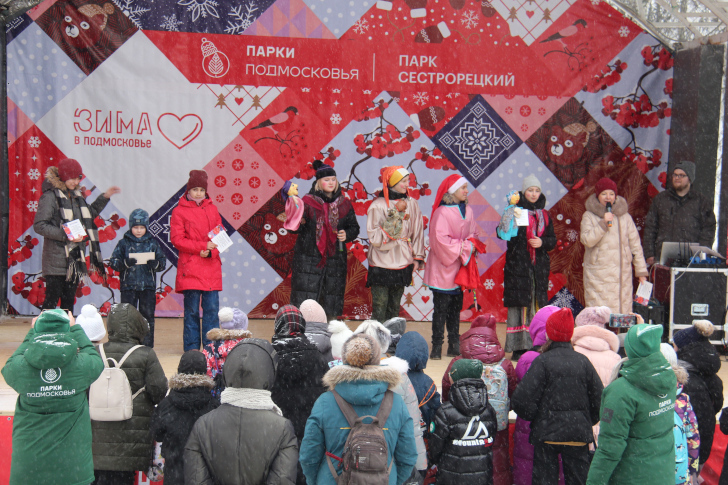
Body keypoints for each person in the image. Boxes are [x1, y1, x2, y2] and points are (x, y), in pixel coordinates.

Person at [2, 309, 104, 485]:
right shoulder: (80, 366)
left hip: (28, 468)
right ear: (68, 330)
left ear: (36, 329)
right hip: (73, 469)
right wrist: (76, 329)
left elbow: (10, 364)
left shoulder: (21, 368)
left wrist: (32, 333)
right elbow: (95, 358)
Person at [299, 333, 418, 485]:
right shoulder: (397, 403)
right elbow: (408, 457)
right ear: (377, 359)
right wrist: (391, 479)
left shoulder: (325, 402)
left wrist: (317, 480)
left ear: (345, 358)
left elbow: (308, 457)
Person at [185, 338, 299, 484]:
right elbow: (282, 480)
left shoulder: (203, 424)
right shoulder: (282, 428)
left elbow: (196, 480)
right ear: (269, 375)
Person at [512, 308, 603, 485]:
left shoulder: (542, 362)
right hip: (578, 436)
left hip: (547, 435)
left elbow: (520, 400)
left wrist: (537, 418)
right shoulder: (583, 362)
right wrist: (585, 420)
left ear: (548, 333)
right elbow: (600, 399)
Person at [586, 324, 676, 485]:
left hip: (631, 476)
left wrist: (594, 482)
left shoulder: (621, 391)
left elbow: (610, 448)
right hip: (663, 474)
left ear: (629, 350)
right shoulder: (667, 378)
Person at [91, 303, 168, 484]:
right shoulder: (146, 354)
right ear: (138, 325)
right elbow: (159, 391)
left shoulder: (96, 352)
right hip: (132, 443)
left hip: (97, 442)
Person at [33, 158, 120, 312]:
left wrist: (105, 197)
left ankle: (66, 333)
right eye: (71, 178)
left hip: (74, 258)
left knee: (68, 303)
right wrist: (66, 235)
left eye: (77, 178)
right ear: (63, 177)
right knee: (51, 302)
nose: (75, 182)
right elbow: (40, 226)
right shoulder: (50, 197)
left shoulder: (76, 196)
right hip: (56, 260)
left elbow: (88, 214)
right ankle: (45, 334)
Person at [440, 313, 518, 485]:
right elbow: (513, 392)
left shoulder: (458, 362)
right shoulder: (504, 364)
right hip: (497, 422)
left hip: (464, 424)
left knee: (467, 459)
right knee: (498, 458)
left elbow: (446, 391)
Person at [287, 160, 360, 319]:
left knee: (331, 303)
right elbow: (295, 228)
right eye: (327, 180)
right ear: (319, 182)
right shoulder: (306, 202)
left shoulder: (344, 204)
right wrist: (296, 216)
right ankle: (303, 335)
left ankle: (329, 337)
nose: (331, 183)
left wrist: (347, 234)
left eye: (333, 179)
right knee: (306, 301)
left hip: (335, 261)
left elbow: (354, 227)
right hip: (308, 259)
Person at [354, 320, 427, 479]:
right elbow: (413, 425)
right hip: (390, 458)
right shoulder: (401, 377)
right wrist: (419, 464)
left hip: (354, 461)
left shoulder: (343, 377)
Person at [270, 305, 329, 485]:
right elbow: (325, 396)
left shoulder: (271, 356)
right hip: (310, 434)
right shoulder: (318, 357)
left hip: (276, 435)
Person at [424, 174, 480, 359]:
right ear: (452, 191)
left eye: (466, 187)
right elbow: (439, 241)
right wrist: (465, 247)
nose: (466, 191)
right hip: (443, 269)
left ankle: (454, 344)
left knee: (455, 308)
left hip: (459, 268)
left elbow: (473, 232)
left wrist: (472, 243)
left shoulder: (469, 211)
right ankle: (437, 346)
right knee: (440, 308)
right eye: (462, 187)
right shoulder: (442, 212)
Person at [500, 175, 556, 360]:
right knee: (519, 305)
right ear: (524, 192)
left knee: (536, 305)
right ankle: (518, 346)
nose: (533, 194)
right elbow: (503, 234)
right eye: (530, 190)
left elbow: (552, 240)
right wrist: (510, 213)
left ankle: (536, 343)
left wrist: (542, 242)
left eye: (537, 190)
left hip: (537, 268)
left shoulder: (545, 215)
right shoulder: (516, 211)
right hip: (519, 266)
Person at [171, 169, 223, 351]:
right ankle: (191, 351)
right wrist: (201, 248)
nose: (198, 193)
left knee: (211, 312)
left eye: (201, 189)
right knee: (191, 313)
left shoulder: (213, 209)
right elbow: (177, 239)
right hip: (191, 268)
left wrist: (210, 252)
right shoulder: (179, 211)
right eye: (195, 190)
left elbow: (220, 236)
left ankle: (212, 350)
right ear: (188, 191)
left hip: (211, 268)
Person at [149, 350, 218, 485]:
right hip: (205, 475)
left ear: (180, 369)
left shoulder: (166, 405)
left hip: (174, 473)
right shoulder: (214, 406)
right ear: (204, 370)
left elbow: (156, 434)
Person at [366, 166, 425, 322]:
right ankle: (377, 339)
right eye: (403, 181)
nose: (407, 185)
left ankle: (393, 338)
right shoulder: (377, 205)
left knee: (394, 305)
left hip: (402, 259)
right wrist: (396, 214)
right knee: (380, 304)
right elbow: (375, 237)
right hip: (381, 261)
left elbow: (418, 231)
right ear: (392, 183)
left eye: (408, 181)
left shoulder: (412, 203)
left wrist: (417, 256)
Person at [581, 177, 648, 314]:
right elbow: (587, 240)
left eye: (611, 194)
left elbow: (635, 245)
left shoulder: (625, 217)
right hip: (598, 273)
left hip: (621, 273)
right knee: (599, 314)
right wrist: (603, 224)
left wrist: (641, 271)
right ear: (597, 196)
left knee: (621, 313)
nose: (608, 197)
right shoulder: (589, 216)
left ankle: (619, 336)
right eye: (604, 194)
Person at [512, 305, 563, 485]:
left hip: (528, 428)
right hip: (557, 428)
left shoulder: (527, 359)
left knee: (526, 467)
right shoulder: (566, 358)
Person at [429, 359, 498, 485]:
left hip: (451, 476)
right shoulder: (489, 410)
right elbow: (492, 439)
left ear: (454, 378)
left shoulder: (445, 412)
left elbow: (436, 448)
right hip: (482, 476)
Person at [109, 208, 166, 347]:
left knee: (147, 317)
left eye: (142, 227)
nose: (139, 230)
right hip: (128, 286)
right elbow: (113, 262)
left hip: (148, 286)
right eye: (135, 227)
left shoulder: (152, 243)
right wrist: (125, 263)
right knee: (127, 317)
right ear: (130, 227)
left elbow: (162, 263)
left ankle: (146, 346)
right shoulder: (124, 243)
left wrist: (155, 264)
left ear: (146, 227)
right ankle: (128, 345)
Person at [643, 160, 717, 266]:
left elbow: (709, 229)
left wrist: (702, 251)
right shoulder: (660, 199)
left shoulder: (701, 202)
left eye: (681, 175)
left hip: (691, 261)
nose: (677, 178)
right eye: (675, 175)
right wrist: (649, 253)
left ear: (690, 179)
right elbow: (650, 228)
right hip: (663, 260)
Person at [673, 320, 724, 467]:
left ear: (683, 350)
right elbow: (717, 405)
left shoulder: (684, 380)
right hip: (703, 442)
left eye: (675, 346)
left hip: (683, 449)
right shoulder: (713, 378)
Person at [660, 343, 700, 485]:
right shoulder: (682, 400)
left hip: (648, 469)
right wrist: (693, 470)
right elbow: (693, 437)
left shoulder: (641, 394)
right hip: (678, 468)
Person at [395, 331, 441, 431]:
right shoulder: (428, 382)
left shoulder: (393, 378)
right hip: (422, 434)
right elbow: (436, 410)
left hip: (398, 434)